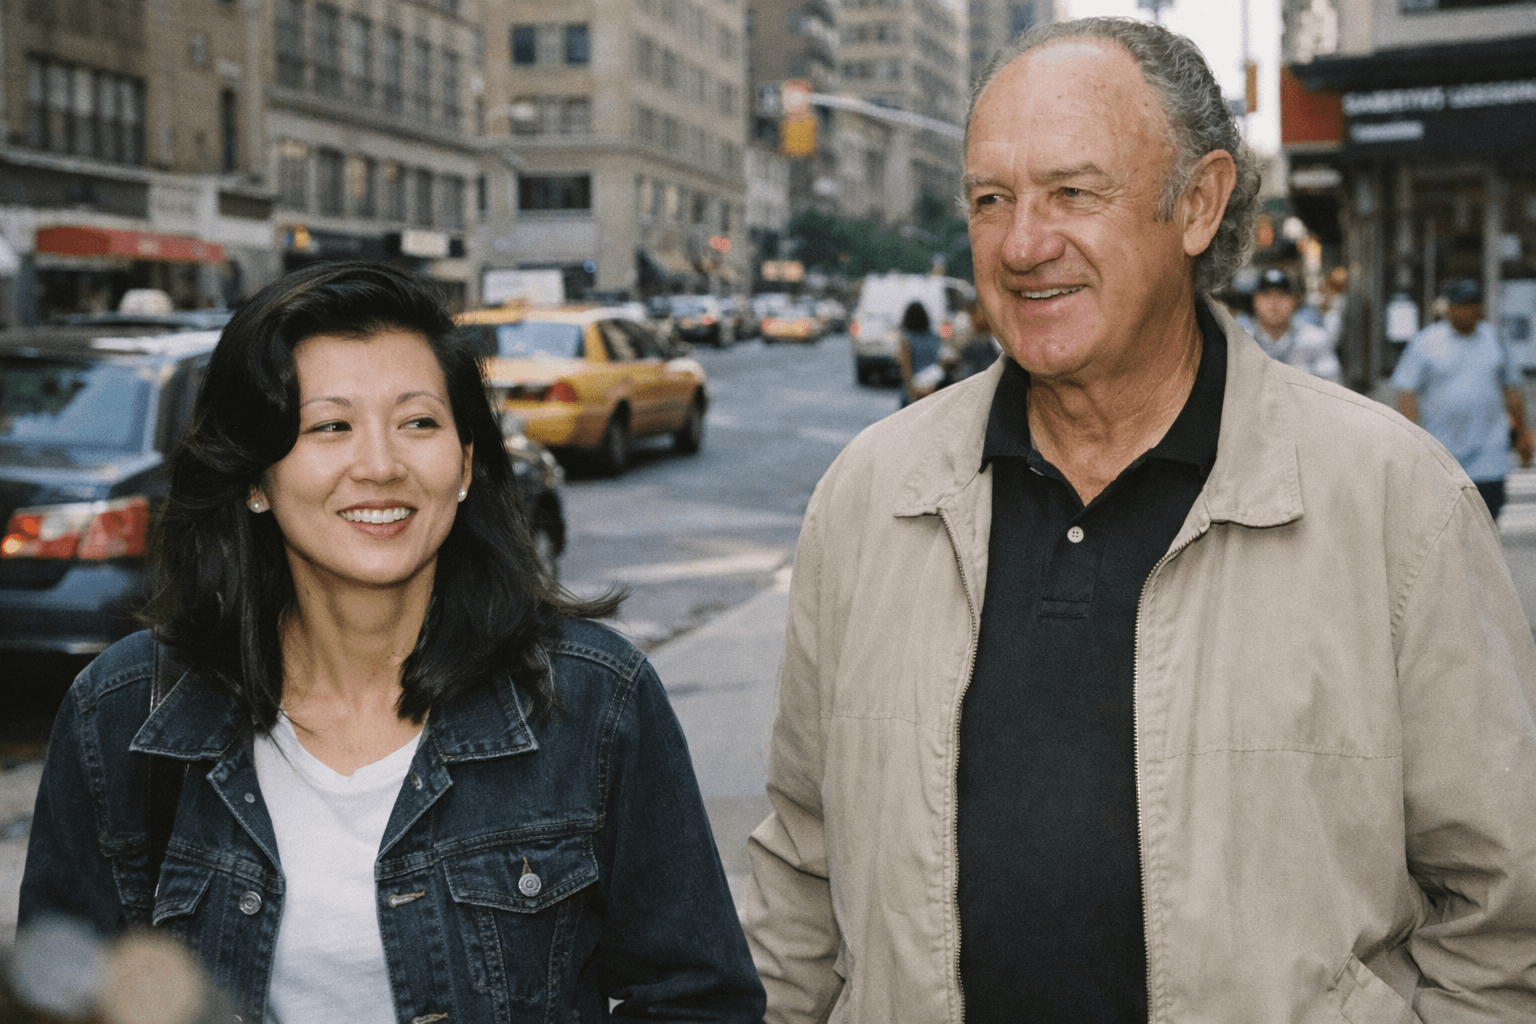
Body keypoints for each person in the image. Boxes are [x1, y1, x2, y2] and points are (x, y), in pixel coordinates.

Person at [742, 16, 1536, 1024]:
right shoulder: (868, 497)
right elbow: (802, 877)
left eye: (1073, 192)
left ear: (1198, 204)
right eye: (991, 199)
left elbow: (1503, 919)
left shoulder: (1396, 504)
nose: (1023, 244)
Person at [19, 262, 765, 1024]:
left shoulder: (594, 701)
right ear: (255, 479)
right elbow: (63, 1000)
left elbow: (700, 1001)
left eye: (418, 423)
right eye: (331, 427)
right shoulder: (125, 714)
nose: (380, 466)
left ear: (465, 463)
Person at [1393, 277, 1533, 520]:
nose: (1470, 310)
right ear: (1450, 308)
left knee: (1487, 521)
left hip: (1489, 454)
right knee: (1446, 523)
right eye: (1463, 304)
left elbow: (1511, 389)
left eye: (1475, 303)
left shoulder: (1493, 339)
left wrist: (1523, 434)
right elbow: (1406, 393)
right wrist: (1411, 440)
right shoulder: (1426, 342)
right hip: (1442, 454)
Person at [1247, 267, 1341, 383]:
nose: (1274, 302)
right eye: (1266, 295)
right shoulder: (1242, 341)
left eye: (1282, 295)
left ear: (1294, 300)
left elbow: (1332, 387)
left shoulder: (1316, 339)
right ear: (1255, 300)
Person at [896, 300, 944, 405]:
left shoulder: (907, 338)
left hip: (917, 384)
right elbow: (940, 359)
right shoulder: (934, 336)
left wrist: (910, 390)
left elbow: (905, 366)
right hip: (934, 383)